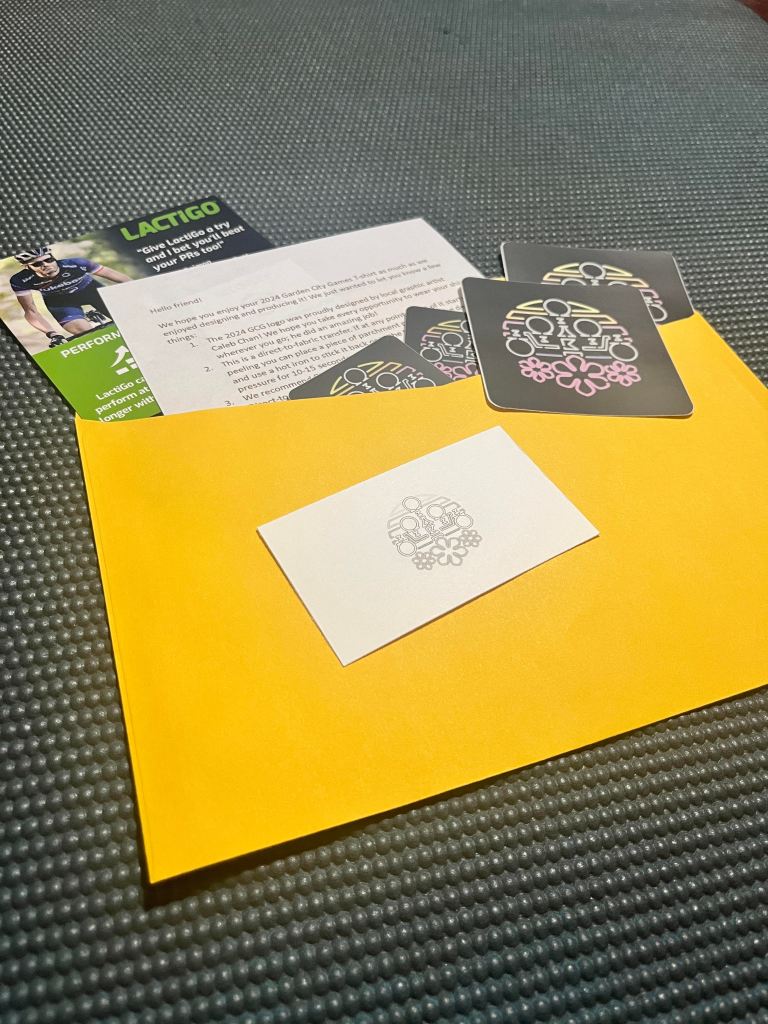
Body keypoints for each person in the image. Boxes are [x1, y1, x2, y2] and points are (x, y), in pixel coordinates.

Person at [10, 247, 131, 348]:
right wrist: (52, 334)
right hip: (60, 302)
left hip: (90, 291)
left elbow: (118, 277)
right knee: (85, 332)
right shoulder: (20, 280)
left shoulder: (77, 263)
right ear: (27, 267)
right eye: (37, 264)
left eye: (49, 259)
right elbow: (30, 311)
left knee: (126, 319)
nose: (46, 265)